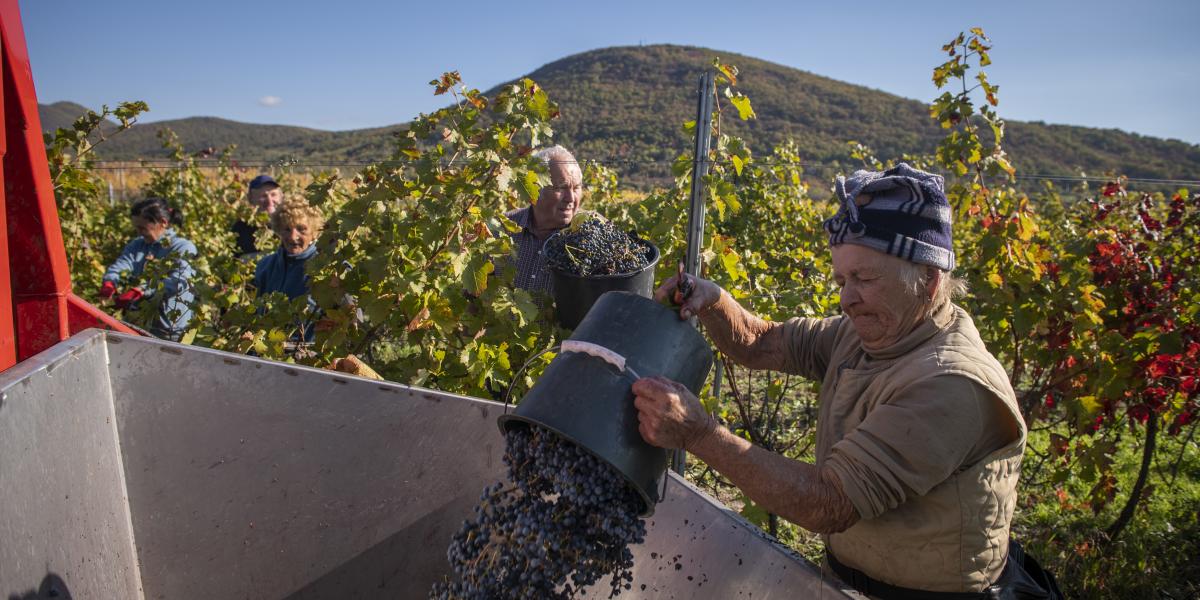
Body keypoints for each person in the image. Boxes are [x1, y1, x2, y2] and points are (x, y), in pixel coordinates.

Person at [633, 164, 1038, 597]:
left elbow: (828, 502)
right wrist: (713, 300)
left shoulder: (952, 382)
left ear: (928, 279)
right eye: (842, 279)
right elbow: (760, 341)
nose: (846, 299)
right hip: (845, 581)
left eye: (864, 278)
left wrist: (700, 434)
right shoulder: (871, 331)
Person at [100, 197, 197, 341]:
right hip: (140, 325)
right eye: (136, 228)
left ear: (163, 222)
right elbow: (123, 263)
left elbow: (180, 281)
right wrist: (110, 282)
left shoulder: (183, 247)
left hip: (171, 330)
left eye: (143, 228)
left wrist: (142, 290)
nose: (139, 232)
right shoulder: (138, 245)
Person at [503, 145, 583, 297]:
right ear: (534, 188)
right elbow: (473, 298)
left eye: (576, 188)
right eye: (561, 188)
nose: (571, 198)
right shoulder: (502, 228)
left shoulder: (590, 236)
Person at [253, 197, 323, 343]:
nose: (293, 236)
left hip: (308, 357)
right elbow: (255, 313)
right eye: (287, 229)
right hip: (265, 352)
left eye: (301, 229)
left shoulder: (327, 267)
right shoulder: (265, 266)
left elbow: (351, 316)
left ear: (314, 232)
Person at [232, 174, 283, 258]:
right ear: (250, 199)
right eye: (263, 196)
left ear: (281, 197)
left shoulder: (288, 225)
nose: (270, 201)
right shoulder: (240, 229)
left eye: (273, 195)